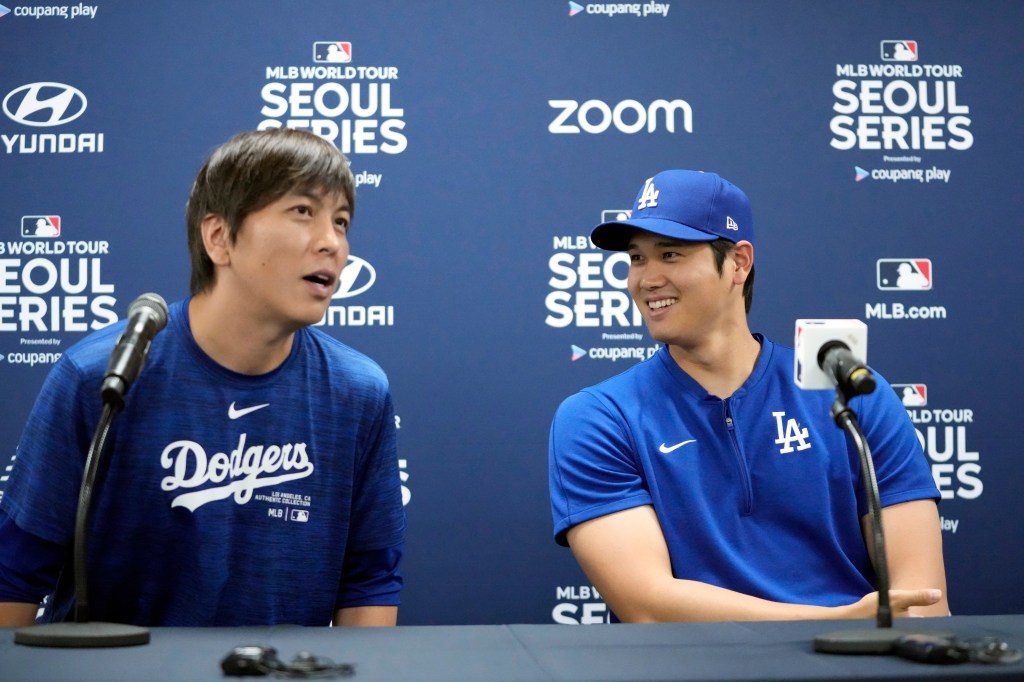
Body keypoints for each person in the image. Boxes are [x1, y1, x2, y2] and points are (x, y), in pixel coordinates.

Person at [0, 128, 406, 627]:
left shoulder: (358, 392)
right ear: (218, 237)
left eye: (341, 221)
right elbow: (15, 575)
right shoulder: (101, 377)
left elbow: (370, 579)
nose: (332, 243)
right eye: (303, 211)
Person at [548, 170, 948, 622]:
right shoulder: (598, 416)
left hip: (851, 664)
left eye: (671, 254)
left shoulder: (851, 393)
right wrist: (831, 624)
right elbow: (648, 606)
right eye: (637, 259)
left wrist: (848, 637)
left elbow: (923, 603)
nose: (646, 279)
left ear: (739, 262)